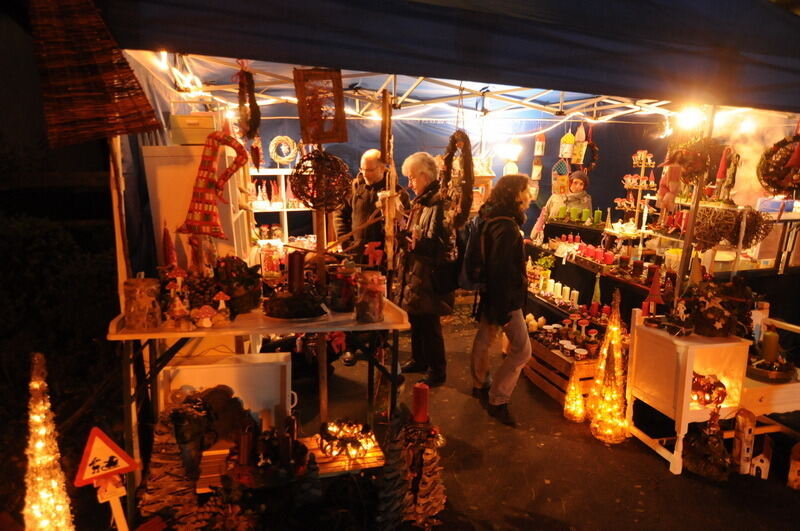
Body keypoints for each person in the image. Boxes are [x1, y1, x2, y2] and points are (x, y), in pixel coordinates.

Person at [470, 174, 533, 427]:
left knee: (485, 337)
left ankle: (478, 383)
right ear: (516, 194)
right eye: (527, 190)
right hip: (505, 299)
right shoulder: (507, 228)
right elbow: (501, 271)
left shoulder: (489, 217)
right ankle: (498, 398)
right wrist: (504, 307)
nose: (530, 194)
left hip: (490, 293)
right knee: (522, 351)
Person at [397, 152, 455, 387]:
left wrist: (412, 241)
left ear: (424, 175)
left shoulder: (439, 202)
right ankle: (419, 360)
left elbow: (444, 243)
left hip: (431, 274)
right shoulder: (422, 200)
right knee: (417, 319)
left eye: (411, 178)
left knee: (430, 324)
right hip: (417, 269)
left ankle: (437, 370)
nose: (410, 184)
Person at [334, 149, 409, 261]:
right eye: (362, 169)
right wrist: (347, 244)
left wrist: (389, 250)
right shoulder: (354, 189)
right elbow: (339, 215)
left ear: (382, 168)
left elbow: (405, 225)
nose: (364, 174)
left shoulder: (397, 194)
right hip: (356, 254)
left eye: (369, 170)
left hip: (384, 257)